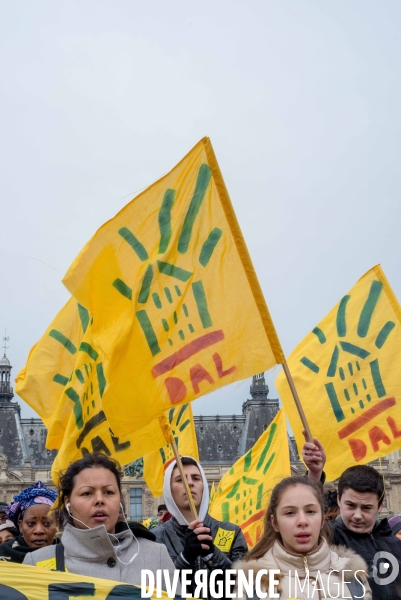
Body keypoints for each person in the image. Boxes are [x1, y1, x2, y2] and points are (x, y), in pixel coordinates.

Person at [23, 453, 178, 591]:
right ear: (68, 503)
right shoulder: (36, 563)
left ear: (120, 501)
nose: (99, 500)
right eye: (87, 493)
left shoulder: (156, 556)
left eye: (109, 492)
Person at [233, 476, 371, 600]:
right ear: (275, 522)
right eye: (290, 513)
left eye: (310, 511)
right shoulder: (252, 583)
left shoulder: (352, 576)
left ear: (323, 519)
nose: (302, 521)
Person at [303, 440, 401, 599]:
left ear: (380, 505)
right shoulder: (326, 539)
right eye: (350, 505)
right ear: (339, 499)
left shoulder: (395, 545)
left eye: (366, 508)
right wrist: (314, 476)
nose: (357, 515)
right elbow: (304, 517)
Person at [154, 456, 247, 598]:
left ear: (204, 486)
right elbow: (153, 590)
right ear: (169, 490)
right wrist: (185, 558)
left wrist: (212, 554)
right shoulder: (155, 538)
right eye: (180, 480)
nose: (189, 483)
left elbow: (244, 587)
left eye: (196, 478)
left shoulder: (231, 532)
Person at [0, 481, 58, 563]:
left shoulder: (69, 555)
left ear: (57, 524)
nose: (39, 530)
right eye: (31, 523)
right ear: (20, 526)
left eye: (47, 523)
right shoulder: (3, 554)